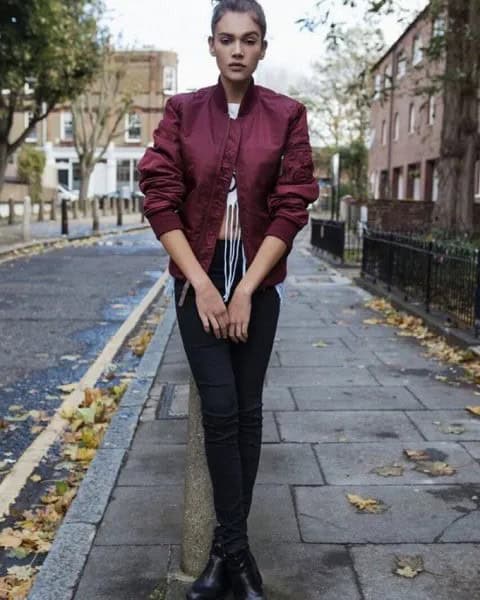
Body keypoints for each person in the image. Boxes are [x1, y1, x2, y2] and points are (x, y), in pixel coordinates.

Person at [137, 1, 319, 598]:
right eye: (226, 39)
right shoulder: (182, 112)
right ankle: (239, 559)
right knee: (219, 410)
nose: (237, 49)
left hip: (257, 279)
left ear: (263, 47)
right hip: (198, 276)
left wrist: (244, 289)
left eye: (249, 39)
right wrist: (207, 284)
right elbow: (160, 198)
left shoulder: (288, 115)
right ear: (210, 46)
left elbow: (293, 205)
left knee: (245, 411)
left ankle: (226, 557)